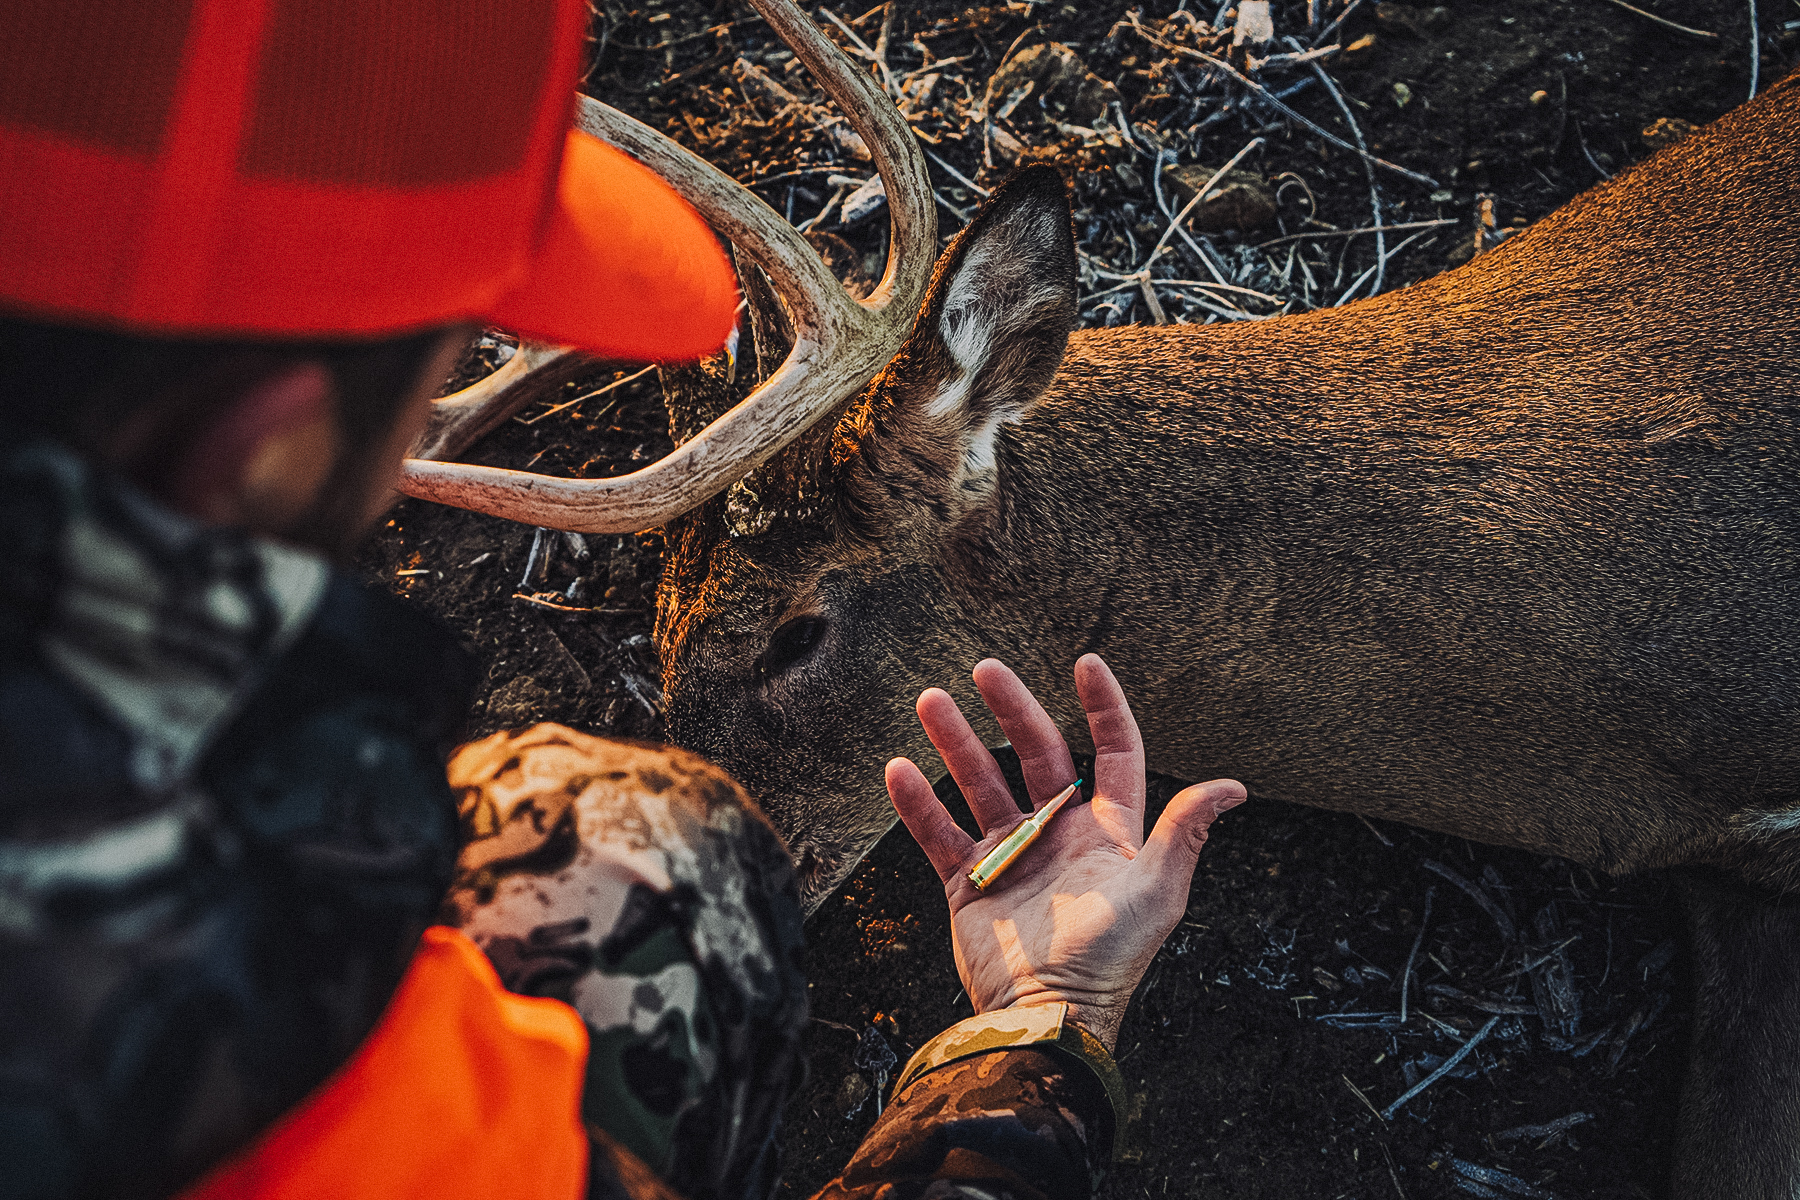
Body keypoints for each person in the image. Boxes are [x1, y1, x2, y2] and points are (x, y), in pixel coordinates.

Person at [0, 2, 1244, 1198]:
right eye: (459, 345)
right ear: (263, 449)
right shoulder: (390, 1141)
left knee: (603, 823)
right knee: (661, 855)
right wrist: (1041, 1040)